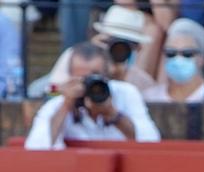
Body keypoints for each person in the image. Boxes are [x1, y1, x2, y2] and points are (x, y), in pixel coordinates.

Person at [25, 43, 161, 150]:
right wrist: (65, 108)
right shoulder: (58, 104)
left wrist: (114, 115)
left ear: (107, 75)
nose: (88, 85)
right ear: (70, 77)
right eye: (80, 78)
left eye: (93, 77)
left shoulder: (126, 93)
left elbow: (151, 142)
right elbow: (36, 149)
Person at [35, 6, 157, 98]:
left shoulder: (142, 80)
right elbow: (50, 91)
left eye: (127, 44)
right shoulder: (76, 56)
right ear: (103, 38)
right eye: (113, 41)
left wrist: (118, 77)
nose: (119, 50)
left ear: (137, 48)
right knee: (35, 89)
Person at [142, 19, 204, 104]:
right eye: (171, 53)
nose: (178, 59)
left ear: (201, 59)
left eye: (187, 54)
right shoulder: (150, 98)